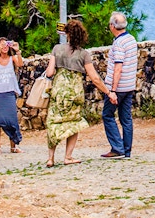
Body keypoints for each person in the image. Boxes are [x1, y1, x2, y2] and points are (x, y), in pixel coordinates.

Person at [44, 18, 117, 168]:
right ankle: (68, 157)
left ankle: (50, 158)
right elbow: (95, 78)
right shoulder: (84, 54)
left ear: (67, 34)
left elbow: (50, 72)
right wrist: (108, 93)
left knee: (53, 122)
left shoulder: (57, 49)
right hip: (75, 92)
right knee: (73, 123)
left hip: (59, 91)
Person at [101, 11, 138, 159]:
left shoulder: (119, 43)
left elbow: (118, 67)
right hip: (129, 85)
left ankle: (117, 147)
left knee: (107, 115)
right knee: (126, 118)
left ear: (112, 26)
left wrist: (113, 90)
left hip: (118, 87)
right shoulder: (131, 39)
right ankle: (127, 150)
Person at [0, 37, 23, 155]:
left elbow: (20, 64)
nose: (4, 47)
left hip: (9, 92)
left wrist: (17, 51)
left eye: (6, 44)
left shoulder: (12, 58)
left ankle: (14, 145)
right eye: (2, 44)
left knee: (12, 120)